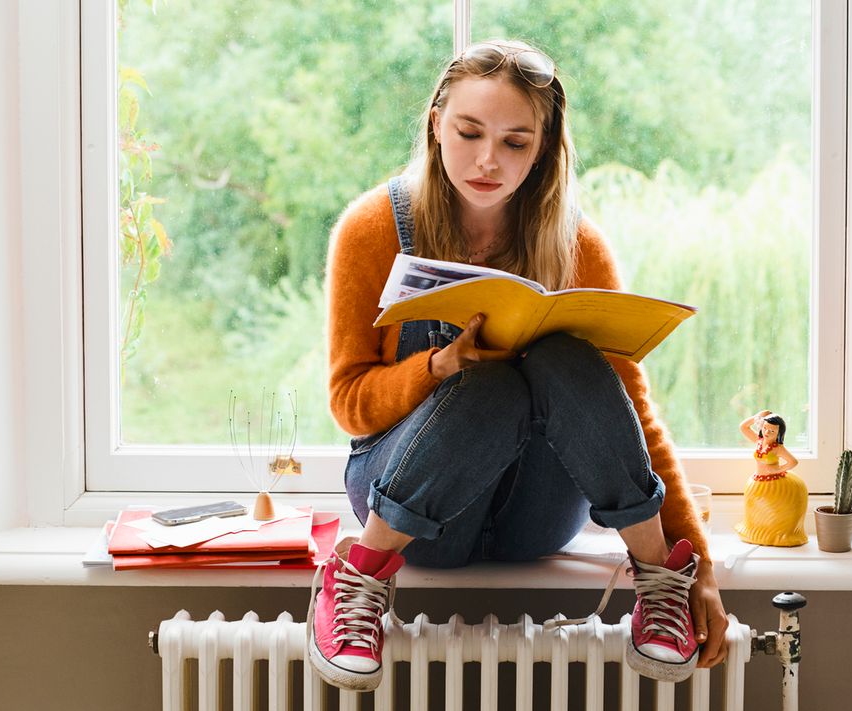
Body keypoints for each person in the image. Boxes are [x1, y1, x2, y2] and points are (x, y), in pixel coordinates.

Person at [308, 39, 728, 691]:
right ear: (435, 124)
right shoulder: (372, 229)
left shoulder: (578, 243)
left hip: (536, 516)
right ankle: (358, 574)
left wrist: (699, 562)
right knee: (490, 385)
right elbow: (348, 401)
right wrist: (439, 365)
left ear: (544, 147)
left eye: (515, 143)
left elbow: (629, 409)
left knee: (564, 355)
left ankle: (660, 579)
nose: (487, 160)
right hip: (411, 507)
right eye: (469, 132)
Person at [734, 410, 808, 546]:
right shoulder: (759, 440)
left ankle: (779, 534)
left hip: (775, 483)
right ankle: (756, 533)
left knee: (775, 511)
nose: (767, 432)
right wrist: (758, 416)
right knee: (756, 510)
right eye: (765, 428)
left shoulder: (778, 448)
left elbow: (793, 462)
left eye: (772, 431)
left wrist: (778, 469)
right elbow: (743, 427)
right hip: (758, 481)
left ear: (779, 434)